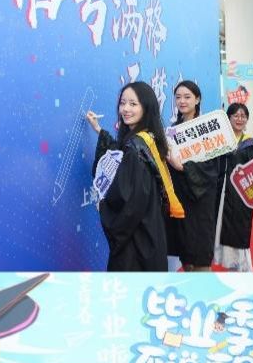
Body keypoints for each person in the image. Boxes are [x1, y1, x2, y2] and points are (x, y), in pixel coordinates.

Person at [85, 82, 181, 271]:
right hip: (150, 231)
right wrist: (99, 130)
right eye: (123, 103)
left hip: (136, 242)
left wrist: (103, 206)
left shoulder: (136, 149)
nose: (125, 109)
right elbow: (118, 154)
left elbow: (129, 201)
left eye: (133, 104)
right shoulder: (149, 139)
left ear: (146, 107)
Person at [169, 80, 223, 271]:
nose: (182, 101)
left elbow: (212, 168)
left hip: (201, 197)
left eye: (187, 97)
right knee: (184, 248)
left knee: (200, 250)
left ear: (197, 99)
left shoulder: (207, 127)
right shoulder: (173, 130)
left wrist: (183, 167)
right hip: (181, 194)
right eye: (178, 97)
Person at [216, 103, 253, 271]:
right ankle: (227, 262)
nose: (239, 119)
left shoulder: (251, 144)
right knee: (220, 228)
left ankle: (243, 267)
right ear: (228, 118)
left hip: (240, 196)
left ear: (247, 119)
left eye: (243, 116)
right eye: (235, 115)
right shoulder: (219, 141)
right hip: (221, 193)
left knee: (239, 229)